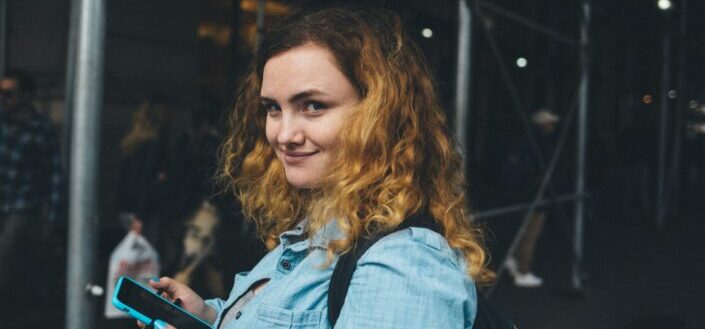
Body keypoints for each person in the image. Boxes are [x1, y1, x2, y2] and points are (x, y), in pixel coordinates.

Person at [143, 5, 493, 328]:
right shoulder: (319, 230)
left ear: (381, 117)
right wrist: (209, 316)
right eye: (273, 108)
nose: (284, 134)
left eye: (313, 105)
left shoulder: (402, 265)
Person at [0, 70, 65, 302]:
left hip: (23, 204)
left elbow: (55, 174)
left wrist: (55, 218)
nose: (2, 99)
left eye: (8, 94)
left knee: (6, 253)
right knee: (23, 256)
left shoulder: (41, 129)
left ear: (26, 97)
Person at [501, 109, 559, 288]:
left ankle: (514, 261)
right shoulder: (541, 145)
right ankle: (522, 271)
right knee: (531, 233)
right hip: (534, 194)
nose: (553, 126)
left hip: (522, 193)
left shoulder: (525, 142)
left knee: (523, 230)